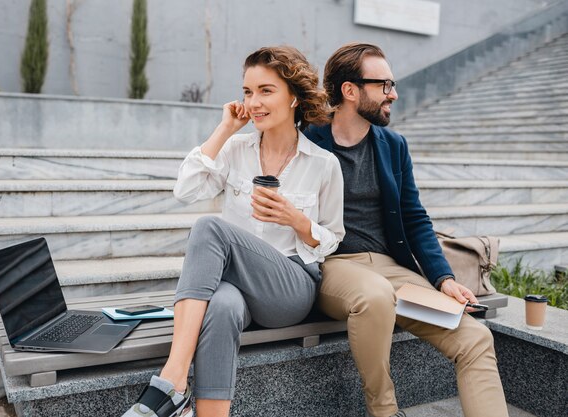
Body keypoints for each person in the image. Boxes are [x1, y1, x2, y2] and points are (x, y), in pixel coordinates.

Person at [121, 46, 344, 417]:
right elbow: (186, 190)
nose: (253, 102)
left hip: (289, 288)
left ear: (293, 97)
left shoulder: (323, 164)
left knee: (210, 227)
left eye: (266, 91)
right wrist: (225, 128)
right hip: (235, 286)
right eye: (247, 92)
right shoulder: (236, 148)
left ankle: (173, 379)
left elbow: (333, 238)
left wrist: (299, 222)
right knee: (221, 305)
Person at [304, 43, 509, 417]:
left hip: (391, 269)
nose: (393, 94)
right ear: (350, 91)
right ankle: (384, 411)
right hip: (332, 267)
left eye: (392, 84)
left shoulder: (394, 145)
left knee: (476, 338)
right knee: (376, 294)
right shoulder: (307, 139)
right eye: (384, 85)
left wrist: (443, 278)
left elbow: (415, 218)